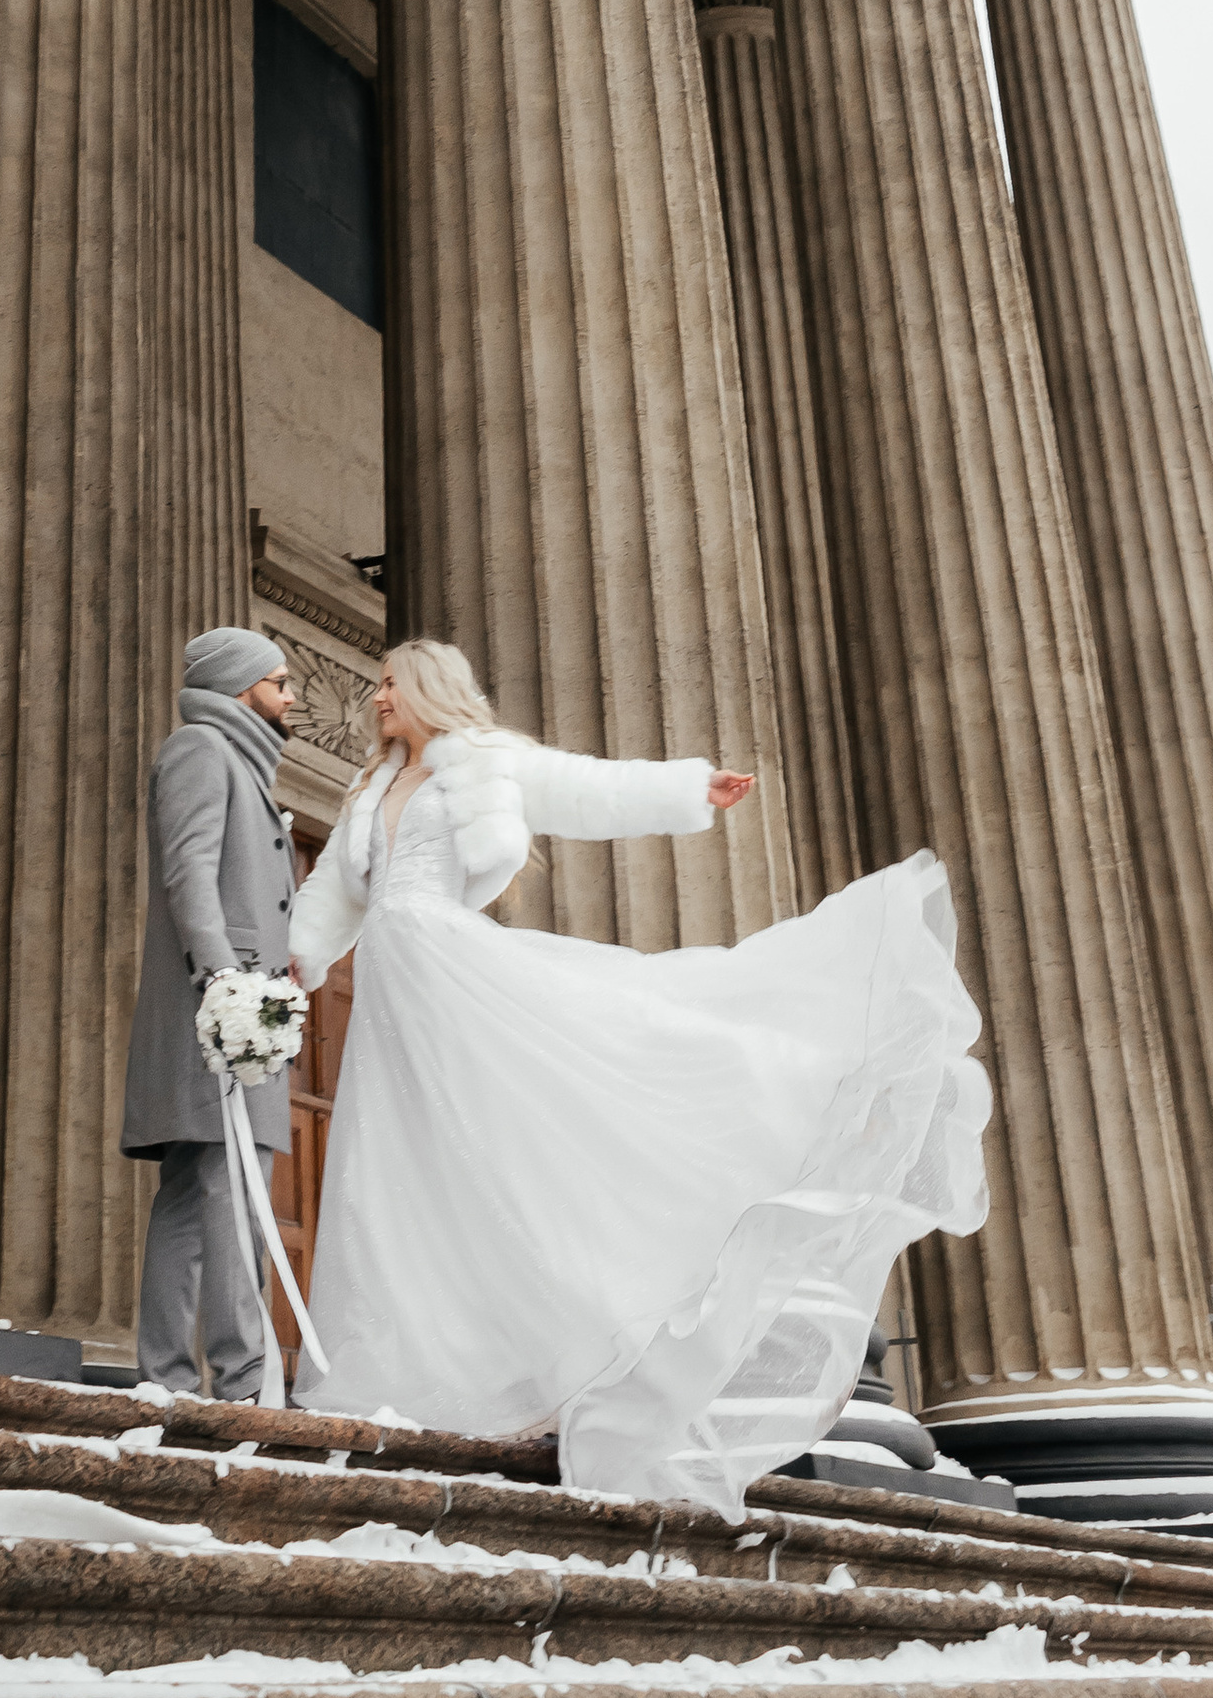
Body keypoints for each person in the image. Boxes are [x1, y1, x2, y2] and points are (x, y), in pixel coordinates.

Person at [286, 637, 989, 1511]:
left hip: (452, 969)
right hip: (391, 992)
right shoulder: (370, 787)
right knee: (399, 1173)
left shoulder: (485, 763)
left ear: (431, 689)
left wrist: (688, 789)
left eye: (392, 683)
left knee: (527, 1127)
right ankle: (417, 1366)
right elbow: (332, 898)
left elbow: (586, 787)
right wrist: (295, 962)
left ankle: (599, 1316)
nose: (378, 697)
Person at [122, 623, 301, 1398]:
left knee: (199, 1191)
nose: (291, 697)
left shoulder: (238, 760)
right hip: (223, 1007)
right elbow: (188, 871)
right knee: (230, 1185)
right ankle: (243, 1380)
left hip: (238, 1006)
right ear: (239, 688)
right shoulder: (202, 749)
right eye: (280, 682)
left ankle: (166, 1377)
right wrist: (225, 982)